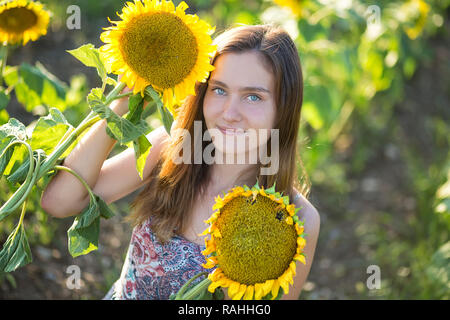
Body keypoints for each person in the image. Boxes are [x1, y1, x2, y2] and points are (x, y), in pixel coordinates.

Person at [41, 24, 320, 300]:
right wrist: (123, 103)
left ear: (283, 107)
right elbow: (60, 201)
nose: (230, 113)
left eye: (253, 96)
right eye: (219, 90)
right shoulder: (172, 148)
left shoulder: (294, 219)